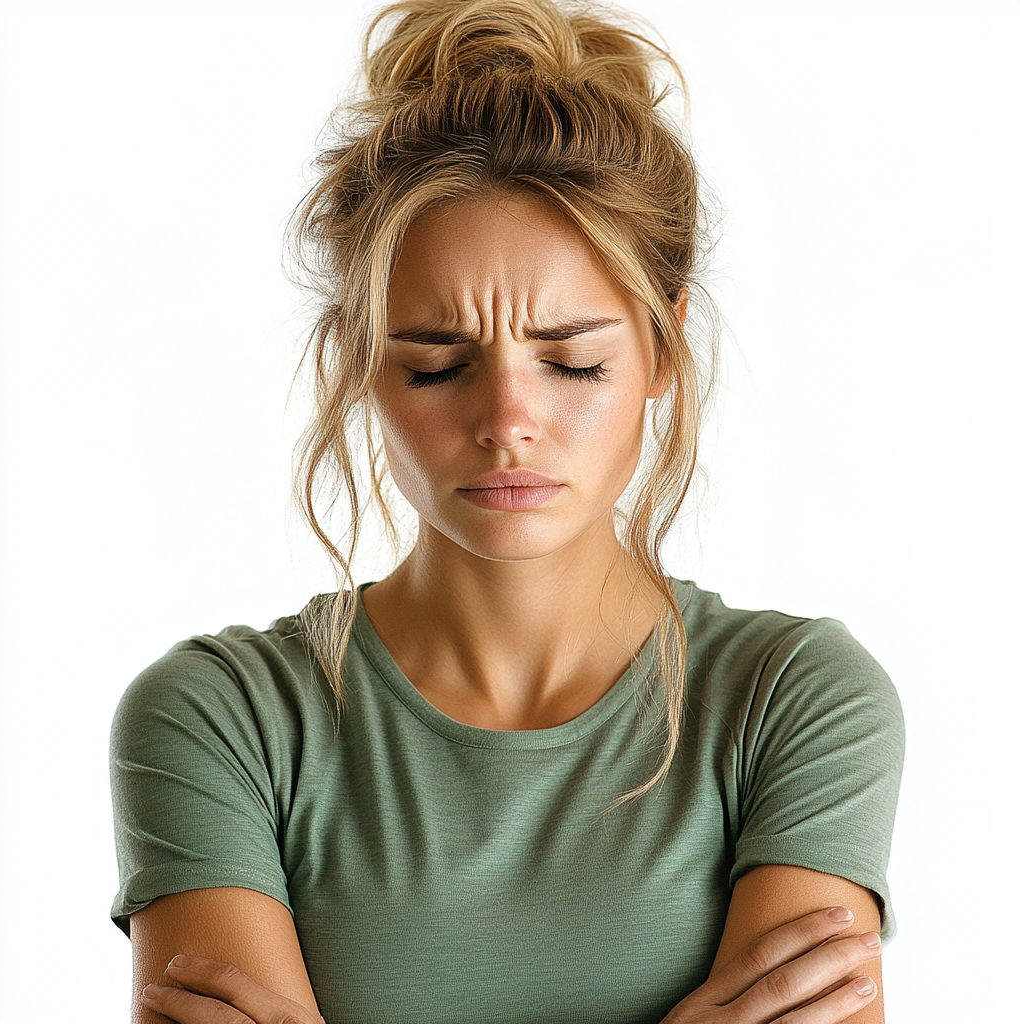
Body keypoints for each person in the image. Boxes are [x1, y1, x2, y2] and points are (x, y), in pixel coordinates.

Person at [109, 1, 904, 1021]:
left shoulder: (795, 702)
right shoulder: (223, 722)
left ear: (663, 347)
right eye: (438, 366)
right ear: (358, 364)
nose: (506, 422)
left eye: (572, 361)